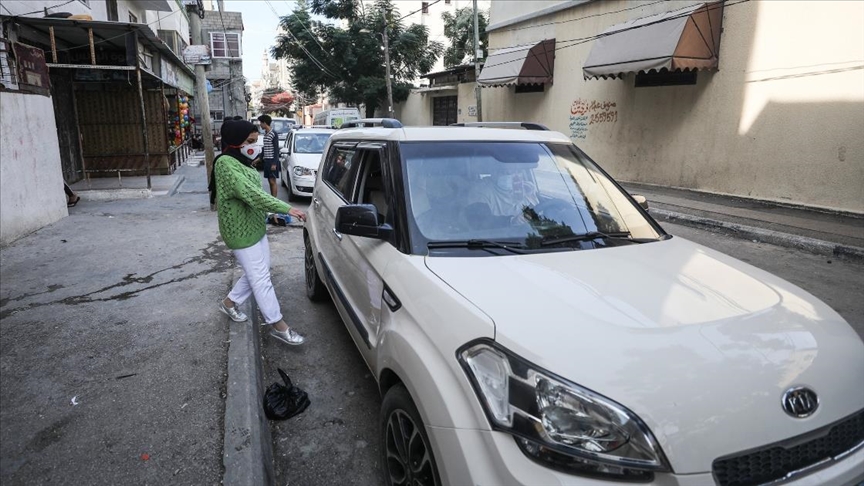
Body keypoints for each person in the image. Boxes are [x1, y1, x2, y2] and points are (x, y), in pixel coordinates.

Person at [213, 120, 308, 346]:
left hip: (255, 226)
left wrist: (268, 214)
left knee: (260, 271)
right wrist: (286, 208)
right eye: (249, 141)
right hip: (239, 231)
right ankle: (278, 325)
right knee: (260, 278)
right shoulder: (225, 164)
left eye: (256, 141)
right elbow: (250, 193)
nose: (254, 146)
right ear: (235, 142)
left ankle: (228, 303)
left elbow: (255, 193)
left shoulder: (243, 161)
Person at [258, 115, 280, 197]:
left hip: (272, 161)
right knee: (269, 181)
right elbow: (265, 147)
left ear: (264, 123)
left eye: (261, 123)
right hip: (267, 160)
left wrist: (274, 163)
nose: (260, 125)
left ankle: (275, 200)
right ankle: (272, 198)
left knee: (272, 181)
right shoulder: (266, 134)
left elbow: (276, 149)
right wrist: (259, 158)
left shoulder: (273, 134)